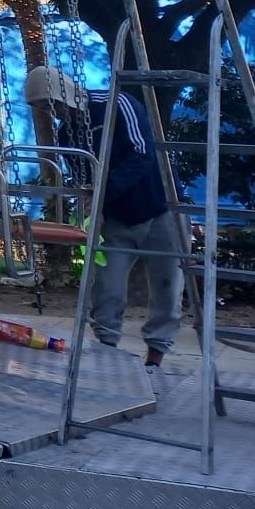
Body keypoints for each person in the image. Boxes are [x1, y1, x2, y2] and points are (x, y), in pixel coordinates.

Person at [84, 79, 185, 369]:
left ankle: (155, 356)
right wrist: (92, 203)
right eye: (40, 108)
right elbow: (83, 174)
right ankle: (106, 349)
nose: (50, 112)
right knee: (107, 287)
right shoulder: (69, 131)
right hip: (118, 217)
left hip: (162, 207)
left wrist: (103, 192)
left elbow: (142, 152)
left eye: (48, 104)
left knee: (167, 286)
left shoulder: (117, 103)